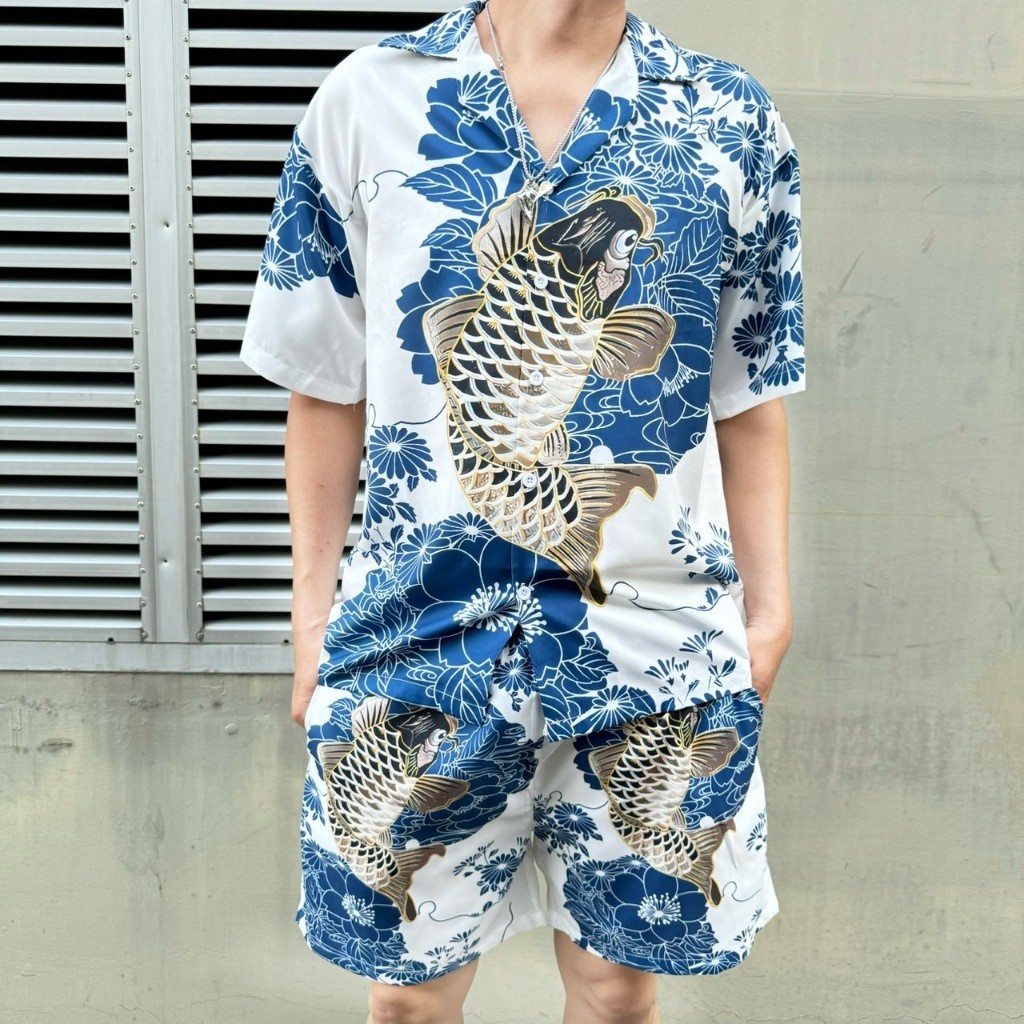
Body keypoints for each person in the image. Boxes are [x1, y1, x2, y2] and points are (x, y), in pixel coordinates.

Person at [240, 0, 804, 1020]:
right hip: (417, 647)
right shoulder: (366, 100)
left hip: (654, 649)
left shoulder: (731, 118)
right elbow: (323, 386)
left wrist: (768, 619)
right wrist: (311, 623)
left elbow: (749, 394)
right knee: (408, 999)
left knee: (616, 992)